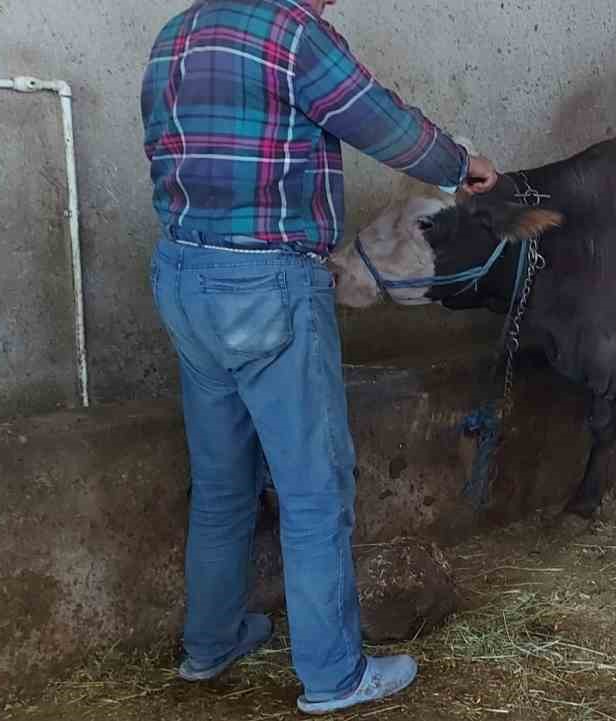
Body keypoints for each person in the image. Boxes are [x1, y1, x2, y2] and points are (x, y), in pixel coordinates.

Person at [139, 0, 498, 714]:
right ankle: (334, 674)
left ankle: (210, 643)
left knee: (220, 479)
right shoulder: (291, 33)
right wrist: (462, 165)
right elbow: (380, 120)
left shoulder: (177, 31)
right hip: (264, 284)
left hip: (183, 274)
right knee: (314, 489)